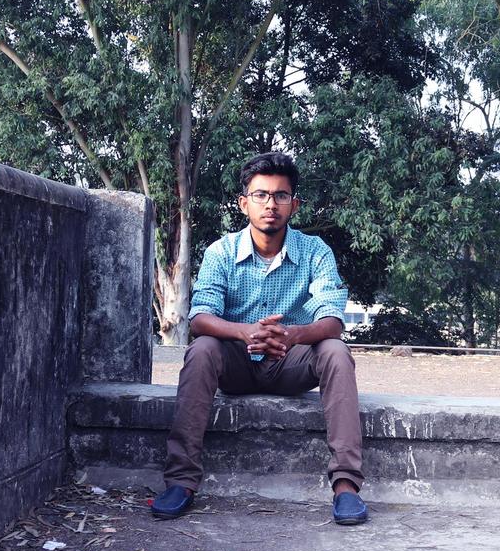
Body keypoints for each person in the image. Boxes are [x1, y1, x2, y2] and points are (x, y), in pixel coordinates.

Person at [152, 151, 368, 525]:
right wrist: (244, 332)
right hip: (236, 362)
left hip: (291, 362)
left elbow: (332, 321)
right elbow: (200, 318)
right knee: (201, 349)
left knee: (335, 351)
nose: (271, 204)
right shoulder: (221, 251)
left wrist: (292, 335)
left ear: (294, 204)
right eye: (261, 195)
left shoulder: (316, 252)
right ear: (243, 203)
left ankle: (346, 486)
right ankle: (181, 482)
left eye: (281, 196)